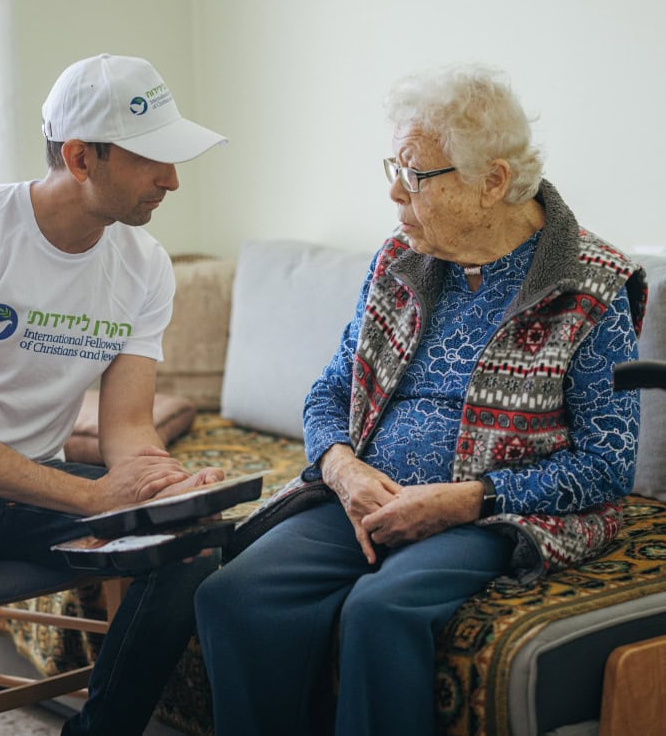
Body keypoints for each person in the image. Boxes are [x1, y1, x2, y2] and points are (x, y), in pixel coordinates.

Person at [194, 64, 648, 736]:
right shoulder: (397, 263)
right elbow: (328, 392)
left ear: (492, 181)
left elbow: (607, 468)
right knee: (234, 594)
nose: (392, 190)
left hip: (491, 514)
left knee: (380, 612)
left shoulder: (590, 286)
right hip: (366, 492)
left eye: (415, 175)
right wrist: (342, 469)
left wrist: (468, 497)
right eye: (395, 166)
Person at [0, 52, 228, 736]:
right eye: (152, 160)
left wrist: (156, 477)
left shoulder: (142, 266)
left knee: (194, 542)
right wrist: (89, 496)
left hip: (30, 482)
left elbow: (127, 427)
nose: (171, 180)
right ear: (82, 157)